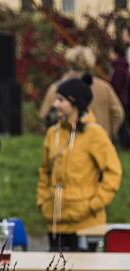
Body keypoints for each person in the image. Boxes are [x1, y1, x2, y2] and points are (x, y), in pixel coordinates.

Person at [37, 75, 122, 251]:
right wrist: (43, 202)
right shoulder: (53, 133)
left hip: (86, 225)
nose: (55, 105)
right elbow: (45, 171)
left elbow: (113, 172)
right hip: (55, 223)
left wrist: (93, 205)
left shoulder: (94, 134)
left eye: (61, 100)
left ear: (74, 103)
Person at [39, 46, 124, 139]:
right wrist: (108, 133)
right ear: (90, 64)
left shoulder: (56, 88)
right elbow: (118, 113)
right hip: (98, 142)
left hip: (67, 144)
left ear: (69, 63)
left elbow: (44, 115)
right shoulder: (104, 87)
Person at [110, 43, 130, 149]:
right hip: (123, 98)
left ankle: (125, 143)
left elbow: (116, 85)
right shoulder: (122, 67)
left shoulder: (119, 69)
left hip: (120, 98)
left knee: (121, 122)